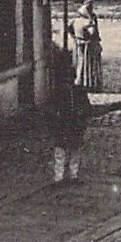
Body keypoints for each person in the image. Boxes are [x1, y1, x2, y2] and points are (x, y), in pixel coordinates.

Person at [48, 47, 92, 183]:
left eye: (70, 79)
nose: (67, 83)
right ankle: (58, 177)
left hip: (75, 125)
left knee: (75, 151)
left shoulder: (78, 92)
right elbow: (51, 110)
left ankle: (73, 175)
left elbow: (87, 108)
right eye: (65, 80)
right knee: (60, 152)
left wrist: (82, 116)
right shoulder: (57, 93)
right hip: (62, 124)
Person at [71, 0, 103, 92]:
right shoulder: (88, 22)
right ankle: (89, 83)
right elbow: (93, 33)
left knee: (81, 63)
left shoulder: (75, 21)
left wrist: (74, 38)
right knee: (89, 63)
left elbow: (69, 29)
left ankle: (80, 81)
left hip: (79, 44)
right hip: (88, 45)